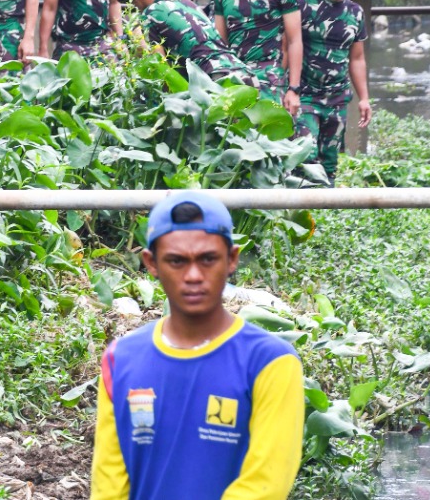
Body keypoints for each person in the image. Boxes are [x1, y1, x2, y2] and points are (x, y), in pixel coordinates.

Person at [90, 191, 304, 500]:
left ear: (231, 259)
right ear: (151, 263)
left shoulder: (271, 363)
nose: (193, 276)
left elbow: (264, 486)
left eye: (207, 259)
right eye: (176, 261)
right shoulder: (119, 360)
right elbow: (108, 487)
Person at [297, 0, 372, 182]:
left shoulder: (355, 12)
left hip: (337, 98)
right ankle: (301, 208)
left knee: (329, 161)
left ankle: (325, 210)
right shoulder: (303, 5)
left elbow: (357, 58)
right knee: (305, 155)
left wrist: (364, 98)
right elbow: (288, 46)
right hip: (305, 95)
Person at [123, 0, 258, 85]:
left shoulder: (149, 14)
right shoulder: (189, 4)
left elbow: (159, 67)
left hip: (214, 78)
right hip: (243, 73)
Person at [212, 0, 302, 109]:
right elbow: (220, 43)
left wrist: (293, 88)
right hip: (235, 74)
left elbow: (294, 40)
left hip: (270, 75)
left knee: (271, 133)